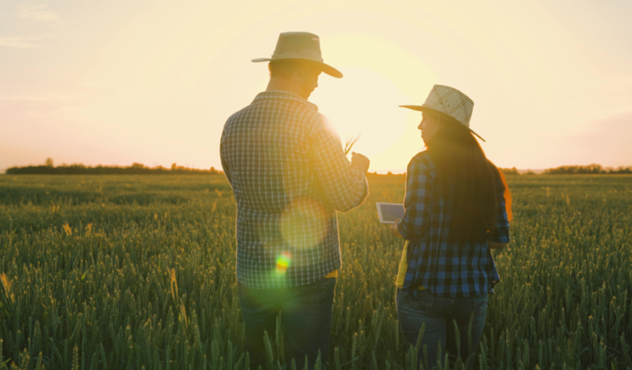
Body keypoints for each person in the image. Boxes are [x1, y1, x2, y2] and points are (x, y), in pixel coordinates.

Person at [220, 32, 370, 369]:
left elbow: (238, 184)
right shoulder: (315, 123)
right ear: (301, 70)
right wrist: (358, 169)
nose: (317, 84)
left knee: (256, 360)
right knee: (305, 362)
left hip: (254, 270)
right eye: (316, 74)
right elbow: (345, 197)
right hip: (309, 273)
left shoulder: (233, 123)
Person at [390, 85, 511, 370]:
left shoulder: (423, 163)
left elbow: (413, 225)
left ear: (442, 122)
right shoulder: (488, 169)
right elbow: (501, 238)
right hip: (472, 293)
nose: (420, 125)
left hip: (425, 289)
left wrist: (397, 226)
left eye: (425, 118)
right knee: (461, 365)